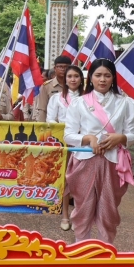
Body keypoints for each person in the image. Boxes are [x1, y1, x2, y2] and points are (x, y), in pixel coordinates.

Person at [64, 59, 134, 244]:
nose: (102, 80)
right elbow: (68, 135)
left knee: (109, 210)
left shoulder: (126, 103)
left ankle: (106, 250)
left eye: (107, 75)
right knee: (83, 208)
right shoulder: (78, 103)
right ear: (90, 78)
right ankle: (81, 247)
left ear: (113, 78)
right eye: (98, 75)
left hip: (113, 162)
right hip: (85, 160)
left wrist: (120, 138)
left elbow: (133, 134)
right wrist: (89, 138)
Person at [47, 65, 84, 231]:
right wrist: (66, 130)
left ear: (81, 79)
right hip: (64, 144)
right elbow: (50, 120)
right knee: (65, 178)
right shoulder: (56, 98)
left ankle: (79, 214)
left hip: (82, 144)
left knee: (81, 179)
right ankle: (65, 215)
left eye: (76, 76)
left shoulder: (88, 98)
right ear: (65, 79)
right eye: (70, 76)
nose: (73, 79)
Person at [35, 55, 71, 122]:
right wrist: (42, 126)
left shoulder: (74, 85)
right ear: (55, 68)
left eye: (66, 67)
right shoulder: (46, 86)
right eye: (60, 66)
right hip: (53, 125)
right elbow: (42, 109)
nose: (63, 69)